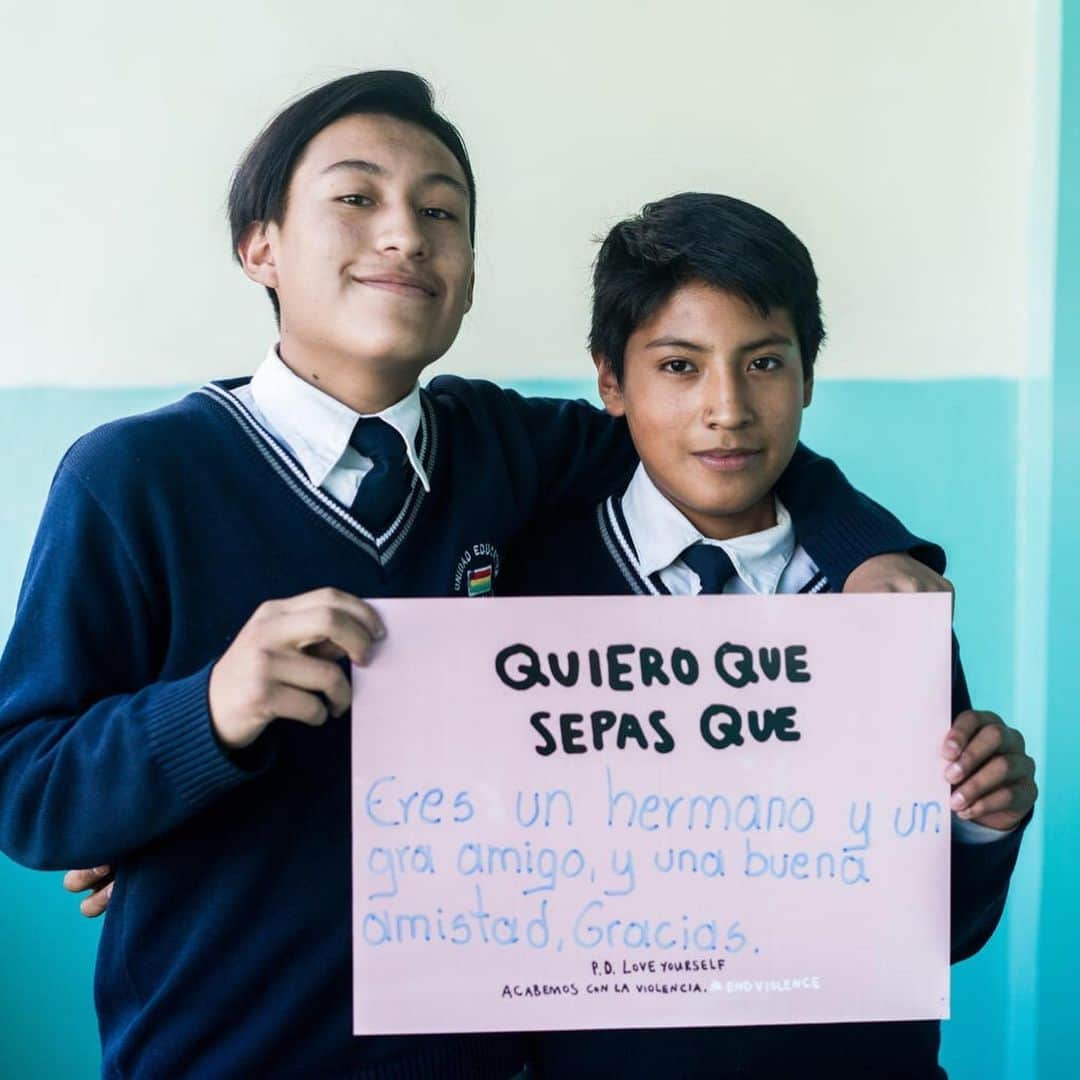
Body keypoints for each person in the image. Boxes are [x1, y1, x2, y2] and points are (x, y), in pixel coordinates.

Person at [3, 72, 952, 1078]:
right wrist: (205, 714)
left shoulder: (503, 448)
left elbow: (716, 441)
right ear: (260, 245)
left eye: (442, 210)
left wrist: (870, 550)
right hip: (224, 1052)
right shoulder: (135, 476)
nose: (405, 235)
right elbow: (29, 785)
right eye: (357, 198)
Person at [498, 192, 1037, 1078]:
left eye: (764, 363)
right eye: (678, 366)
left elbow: (946, 933)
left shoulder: (887, 601)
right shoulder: (532, 586)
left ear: (808, 376)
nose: (727, 408)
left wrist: (983, 825)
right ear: (609, 379)